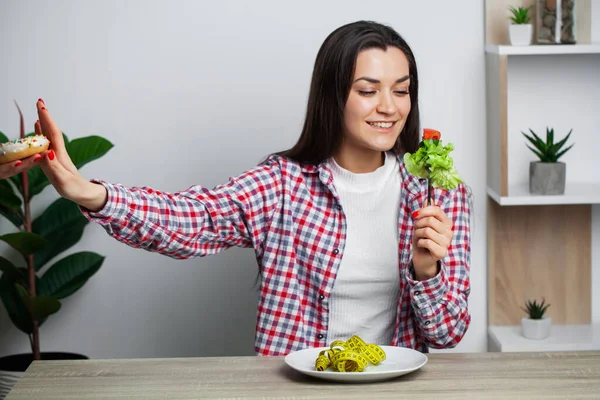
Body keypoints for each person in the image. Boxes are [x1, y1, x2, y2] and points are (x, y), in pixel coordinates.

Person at [4, 20, 471, 356]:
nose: (389, 106)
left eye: (402, 89)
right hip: (293, 391)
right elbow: (194, 218)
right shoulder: (283, 184)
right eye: (368, 90)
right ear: (333, 95)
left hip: (395, 391)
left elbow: (448, 333)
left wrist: (426, 271)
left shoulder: (440, 195)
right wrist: (88, 193)